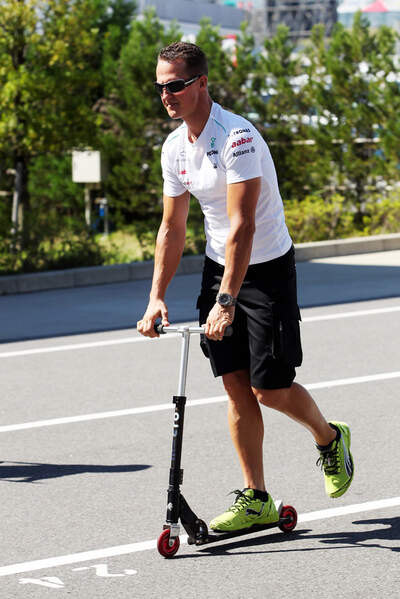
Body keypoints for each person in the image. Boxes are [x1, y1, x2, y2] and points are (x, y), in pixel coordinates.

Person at [137, 41, 354, 532]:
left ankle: (328, 437)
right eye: (160, 87)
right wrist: (156, 297)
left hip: (267, 268)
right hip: (220, 267)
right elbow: (172, 229)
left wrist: (228, 302)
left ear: (201, 84)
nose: (166, 96)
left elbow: (243, 226)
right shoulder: (175, 148)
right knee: (235, 387)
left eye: (175, 85)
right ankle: (257, 497)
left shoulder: (237, 137)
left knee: (268, 389)